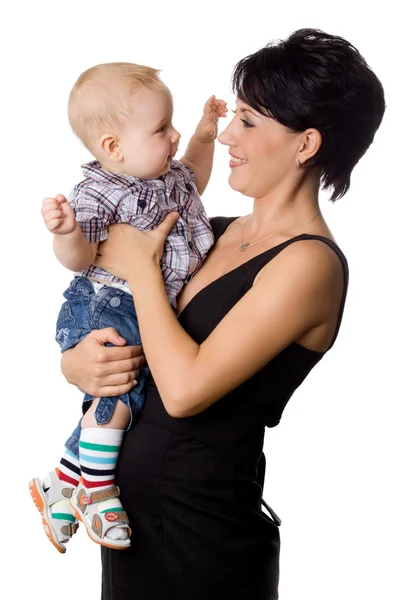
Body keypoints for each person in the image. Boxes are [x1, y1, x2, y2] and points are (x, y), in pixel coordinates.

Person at [56, 29, 385, 599]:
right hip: (135, 531)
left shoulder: (309, 264)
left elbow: (184, 391)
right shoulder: (212, 233)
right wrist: (79, 365)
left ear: (306, 144)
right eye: (234, 116)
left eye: (250, 122)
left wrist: (139, 268)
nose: (226, 134)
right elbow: (136, 333)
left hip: (203, 544)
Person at [29, 61, 227, 552]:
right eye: (162, 129)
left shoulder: (168, 173)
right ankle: (95, 491)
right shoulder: (98, 192)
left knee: (128, 394)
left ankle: (61, 481)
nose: (176, 135)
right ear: (113, 148)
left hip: (143, 300)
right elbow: (80, 260)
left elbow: (197, 178)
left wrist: (205, 134)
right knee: (119, 394)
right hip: (107, 301)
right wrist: (67, 233)